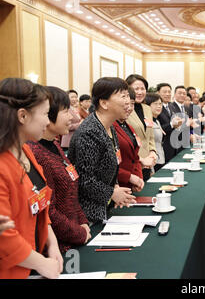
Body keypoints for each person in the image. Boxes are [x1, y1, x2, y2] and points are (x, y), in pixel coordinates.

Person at [0, 78, 63, 279]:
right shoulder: (2, 165)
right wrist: (41, 263)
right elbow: (4, 234)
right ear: (22, 115)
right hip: (13, 269)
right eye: (45, 114)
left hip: (35, 259)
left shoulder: (26, 150)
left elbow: (40, 204)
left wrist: (51, 243)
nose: (48, 121)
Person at [28, 86, 91, 253]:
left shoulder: (55, 144)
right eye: (65, 111)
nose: (71, 117)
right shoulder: (36, 153)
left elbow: (71, 191)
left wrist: (83, 222)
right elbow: (49, 209)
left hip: (74, 238)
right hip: (58, 247)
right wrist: (79, 233)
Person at [68, 77, 136, 223]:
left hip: (104, 208)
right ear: (104, 103)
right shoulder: (89, 132)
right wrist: (111, 193)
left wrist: (115, 185)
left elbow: (110, 163)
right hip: (89, 214)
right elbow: (85, 180)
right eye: (123, 96)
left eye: (128, 96)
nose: (128, 102)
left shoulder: (109, 126)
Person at [125, 74, 158, 182]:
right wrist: (142, 159)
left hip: (148, 163)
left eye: (142, 89)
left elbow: (150, 135)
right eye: (136, 89)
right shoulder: (125, 110)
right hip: (133, 163)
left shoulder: (147, 109)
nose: (139, 92)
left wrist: (153, 152)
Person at [113, 88, 145, 192]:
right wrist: (129, 177)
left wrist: (138, 179)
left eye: (132, 104)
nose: (129, 108)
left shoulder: (128, 127)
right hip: (117, 187)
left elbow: (135, 157)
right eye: (126, 104)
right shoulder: (109, 127)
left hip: (132, 185)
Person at [157, 83, 183, 164]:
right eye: (164, 92)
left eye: (169, 92)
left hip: (174, 146)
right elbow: (158, 128)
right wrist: (172, 124)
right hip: (164, 147)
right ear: (158, 93)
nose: (167, 94)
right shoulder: (156, 108)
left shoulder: (171, 106)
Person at [147, 93, 166, 172]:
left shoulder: (157, 121)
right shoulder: (147, 122)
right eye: (155, 104)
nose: (159, 106)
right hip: (153, 162)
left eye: (160, 104)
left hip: (161, 158)